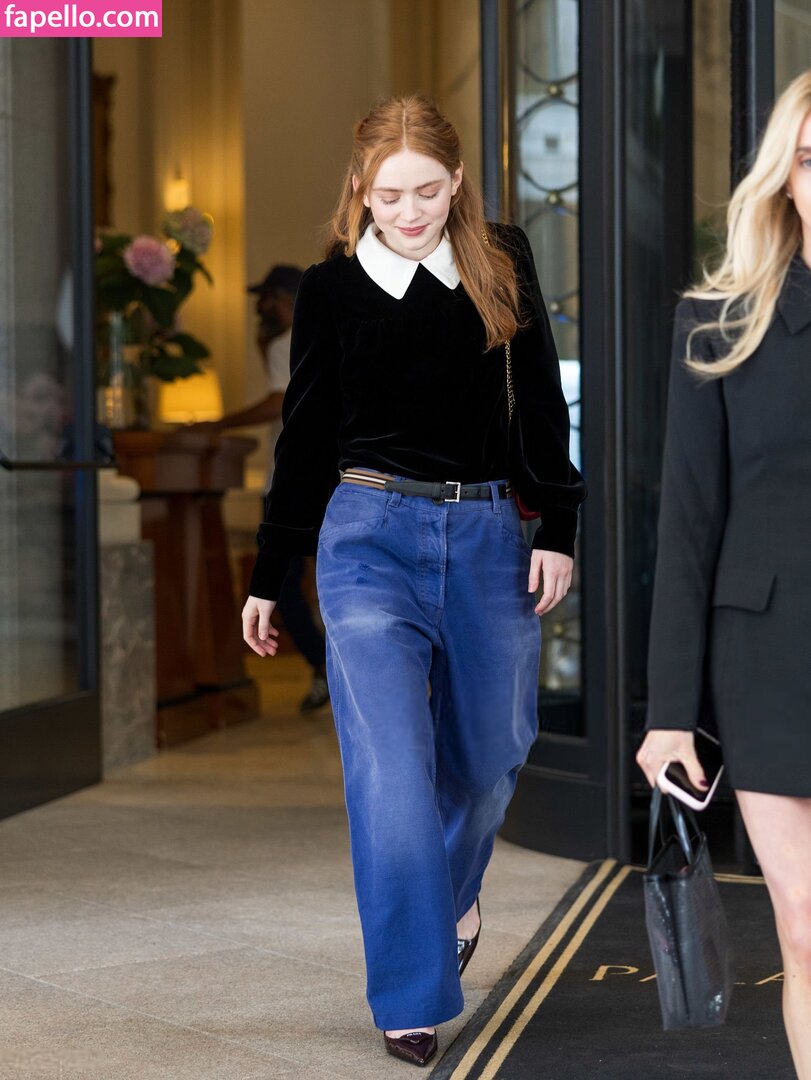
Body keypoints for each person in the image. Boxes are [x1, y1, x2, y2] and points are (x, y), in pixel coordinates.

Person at [242, 94, 586, 1066]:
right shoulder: (331, 288)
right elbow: (305, 435)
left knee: (493, 752)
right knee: (390, 772)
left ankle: (448, 895)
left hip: (487, 535)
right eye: (388, 195)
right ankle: (411, 992)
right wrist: (270, 570)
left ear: (457, 181)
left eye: (427, 191)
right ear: (360, 188)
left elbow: (540, 408)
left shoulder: (499, 260)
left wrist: (556, 523)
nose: (407, 211)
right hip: (366, 538)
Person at [637, 70, 811, 1078]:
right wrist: (669, 713)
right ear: (785, 176)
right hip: (769, 660)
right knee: (804, 927)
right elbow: (688, 526)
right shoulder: (719, 320)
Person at [196, 265, 330, 712]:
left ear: (284, 300)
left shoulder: (283, 343)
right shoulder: (325, 335)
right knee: (328, 581)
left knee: (284, 585)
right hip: (336, 479)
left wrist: (219, 423)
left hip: (288, 484)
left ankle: (322, 665)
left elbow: (279, 401)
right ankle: (332, 666)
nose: (261, 307)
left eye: (267, 298)